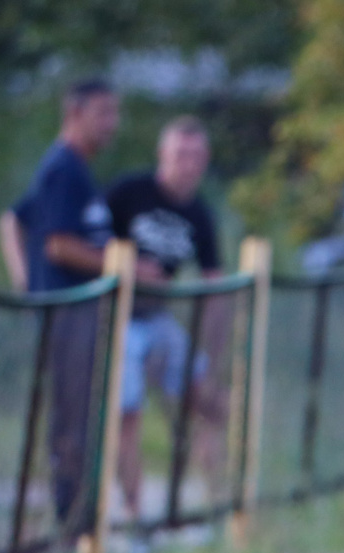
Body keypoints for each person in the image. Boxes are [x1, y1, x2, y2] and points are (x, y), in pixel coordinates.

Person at [6, 79, 120, 529]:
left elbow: (13, 219)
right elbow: (58, 245)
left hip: (80, 313)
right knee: (70, 418)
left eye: (114, 113)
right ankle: (69, 524)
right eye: (103, 113)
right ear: (75, 114)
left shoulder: (75, 169)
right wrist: (121, 267)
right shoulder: (63, 168)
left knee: (82, 415)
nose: (112, 123)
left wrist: (24, 276)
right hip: (69, 314)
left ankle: (75, 519)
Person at [107, 116, 226, 519]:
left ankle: (217, 505)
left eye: (195, 155)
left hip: (158, 318)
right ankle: (134, 514)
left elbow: (215, 283)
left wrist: (213, 353)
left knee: (209, 403)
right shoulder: (129, 192)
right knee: (127, 414)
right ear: (162, 154)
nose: (186, 164)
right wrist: (131, 270)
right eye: (179, 154)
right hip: (118, 319)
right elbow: (89, 244)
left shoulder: (200, 213)